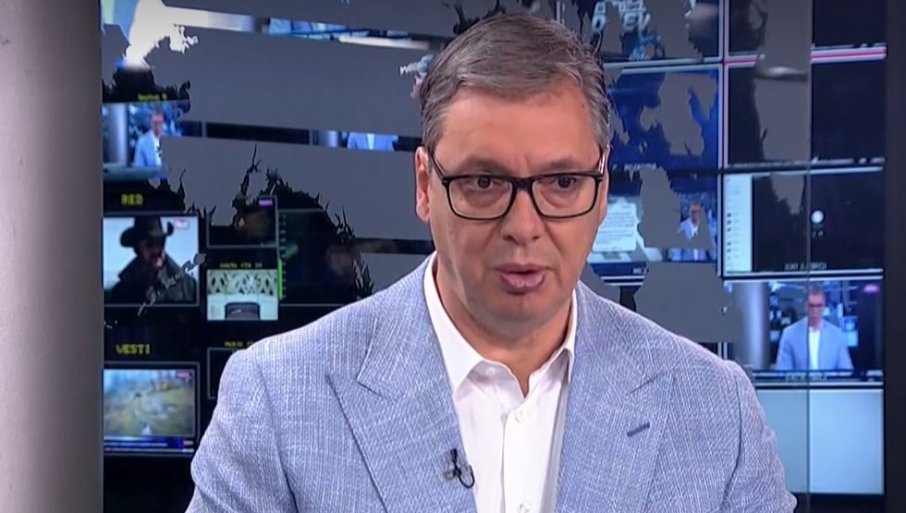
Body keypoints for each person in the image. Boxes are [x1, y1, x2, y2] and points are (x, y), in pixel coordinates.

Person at [186, 14, 794, 513]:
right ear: (425, 186)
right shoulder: (277, 400)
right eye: (483, 182)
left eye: (562, 182)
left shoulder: (715, 411)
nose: (523, 227)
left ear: (603, 187)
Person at [108, 216, 197, 305]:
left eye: (161, 242)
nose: (156, 250)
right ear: (137, 248)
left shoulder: (188, 287)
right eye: (149, 244)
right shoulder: (120, 293)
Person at [775, 285, 854, 371]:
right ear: (805, 306)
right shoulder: (789, 334)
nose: (815, 311)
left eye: (819, 306)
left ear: (824, 306)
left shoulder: (837, 335)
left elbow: (846, 372)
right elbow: (782, 371)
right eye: (811, 306)